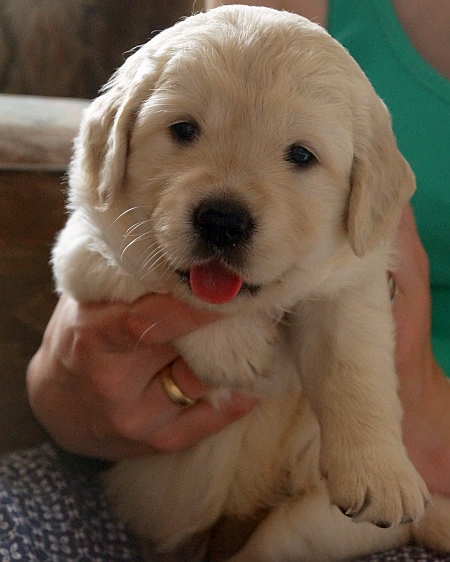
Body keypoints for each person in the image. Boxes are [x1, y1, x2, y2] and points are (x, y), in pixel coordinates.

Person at [0, 1, 448, 560]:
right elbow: (84, 253)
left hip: (335, 503)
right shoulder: (260, 28)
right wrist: (188, 327)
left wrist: (382, 431)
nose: (226, 210)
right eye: (184, 130)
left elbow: (348, 321)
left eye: (299, 156)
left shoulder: (349, 250)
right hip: (125, 499)